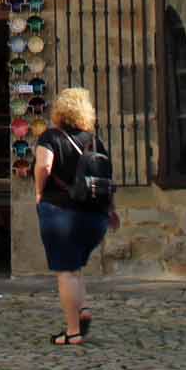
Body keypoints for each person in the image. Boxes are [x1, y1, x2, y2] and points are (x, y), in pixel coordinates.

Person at [32, 87, 115, 347]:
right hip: (95, 217)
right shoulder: (94, 141)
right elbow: (106, 178)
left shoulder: (50, 137)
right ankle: (83, 308)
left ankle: (72, 331)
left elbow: (44, 166)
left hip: (61, 212)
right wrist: (112, 210)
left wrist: (38, 191)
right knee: (76, 267)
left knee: (66, 271)